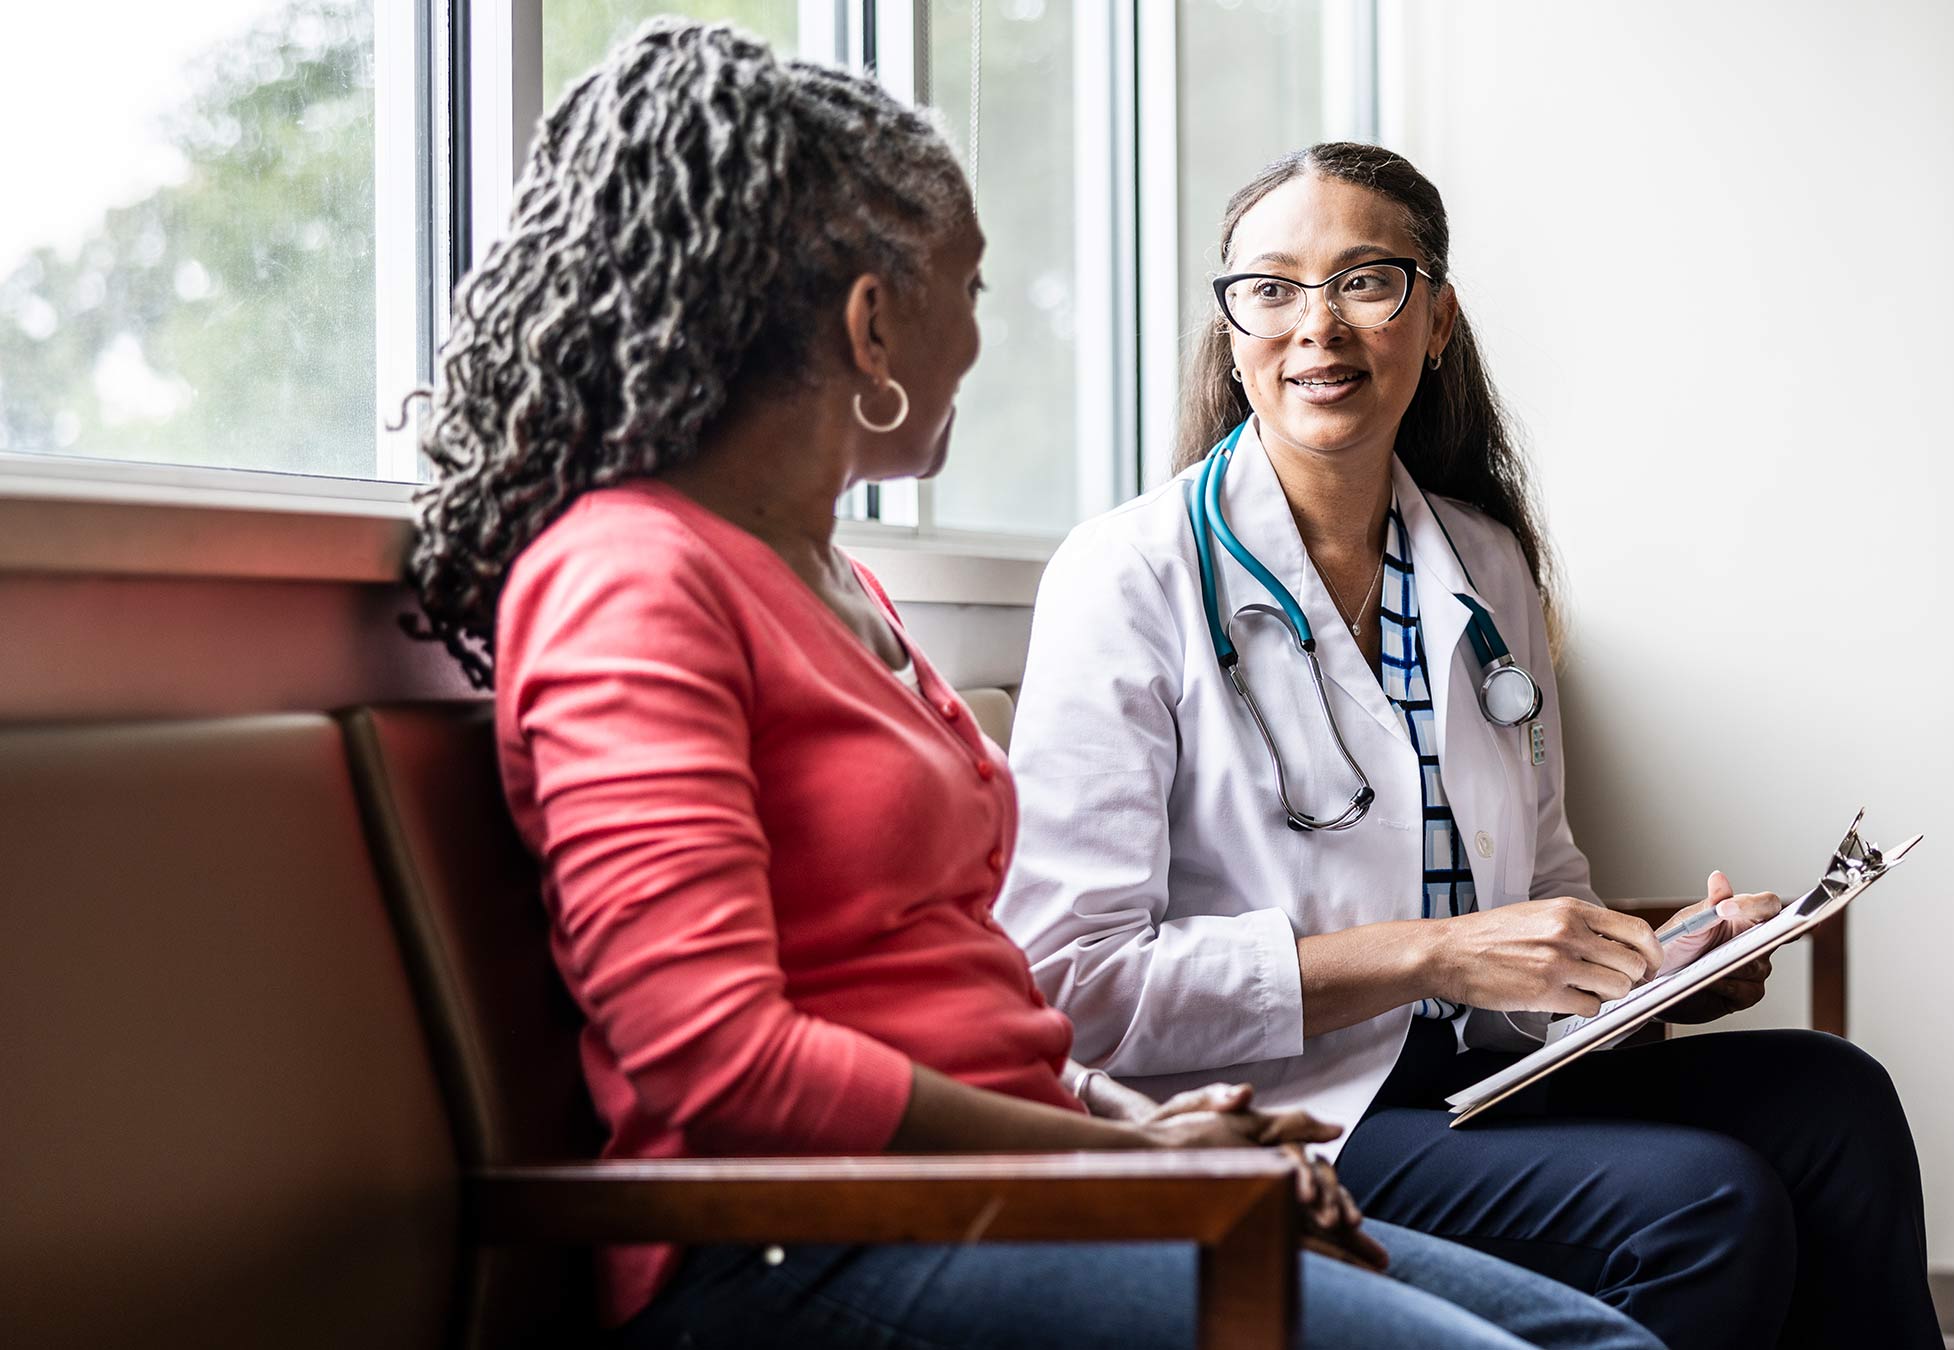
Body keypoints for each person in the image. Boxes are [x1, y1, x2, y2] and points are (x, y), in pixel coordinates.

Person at [403, 24, 1663, 1350]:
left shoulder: (833, 585)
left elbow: (970, 1005)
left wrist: (1145, 1127)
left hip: (1021, 1181)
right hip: (809, 1244)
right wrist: (1125, 1162)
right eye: (975, 290)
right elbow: (723, 1066)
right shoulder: (630, 579)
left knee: (1601, 1342)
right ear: (873, 322)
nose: (979, 338)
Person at [996, 141, 1946, 1350]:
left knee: (1835, 1099)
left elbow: (1537, 890)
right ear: (1231, 329)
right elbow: (1070, 985)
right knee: (1708, 1204)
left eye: (1366, 282)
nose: (1317, 329)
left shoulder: (1484, 565)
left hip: (1477, 1078)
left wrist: (1659, 961)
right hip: (1280, 1111)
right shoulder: (1127, 575)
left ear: (1436, 318)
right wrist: (1435, 954)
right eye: (1273, 289)